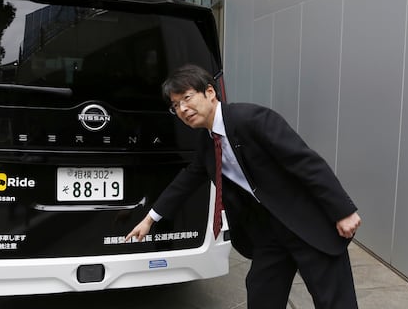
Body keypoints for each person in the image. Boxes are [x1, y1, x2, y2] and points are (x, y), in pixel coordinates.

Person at [126, 64, 361, 309]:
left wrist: (343, 211)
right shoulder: (207, 142)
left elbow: (304, 162)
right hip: (269, 234)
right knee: (262, 296)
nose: (183, 109)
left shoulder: (252, 119)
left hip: (307, 223)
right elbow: (186, 181)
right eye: (175, 106)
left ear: (209, 92)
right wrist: (150, 219)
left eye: (186, 98)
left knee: (335, 302)